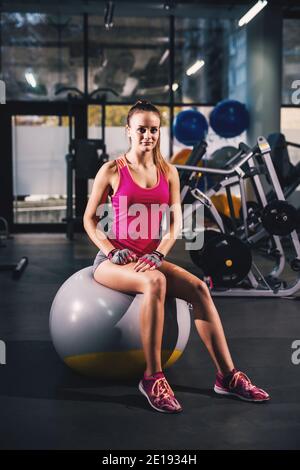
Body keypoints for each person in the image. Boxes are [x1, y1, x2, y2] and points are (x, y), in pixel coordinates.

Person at [83, 99, 270, 414]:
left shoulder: (168, 171)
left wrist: (158, 253)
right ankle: (152, 377)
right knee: (155, 282)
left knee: (199, 288)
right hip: (111, 264)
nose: (147, 135)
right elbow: (89, 219)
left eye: (153, 129)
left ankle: (227, 376)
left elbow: (176, 223)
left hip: (148, 259)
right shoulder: (112, 170)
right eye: (141, 129)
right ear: (128, 131)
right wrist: (111, 250)